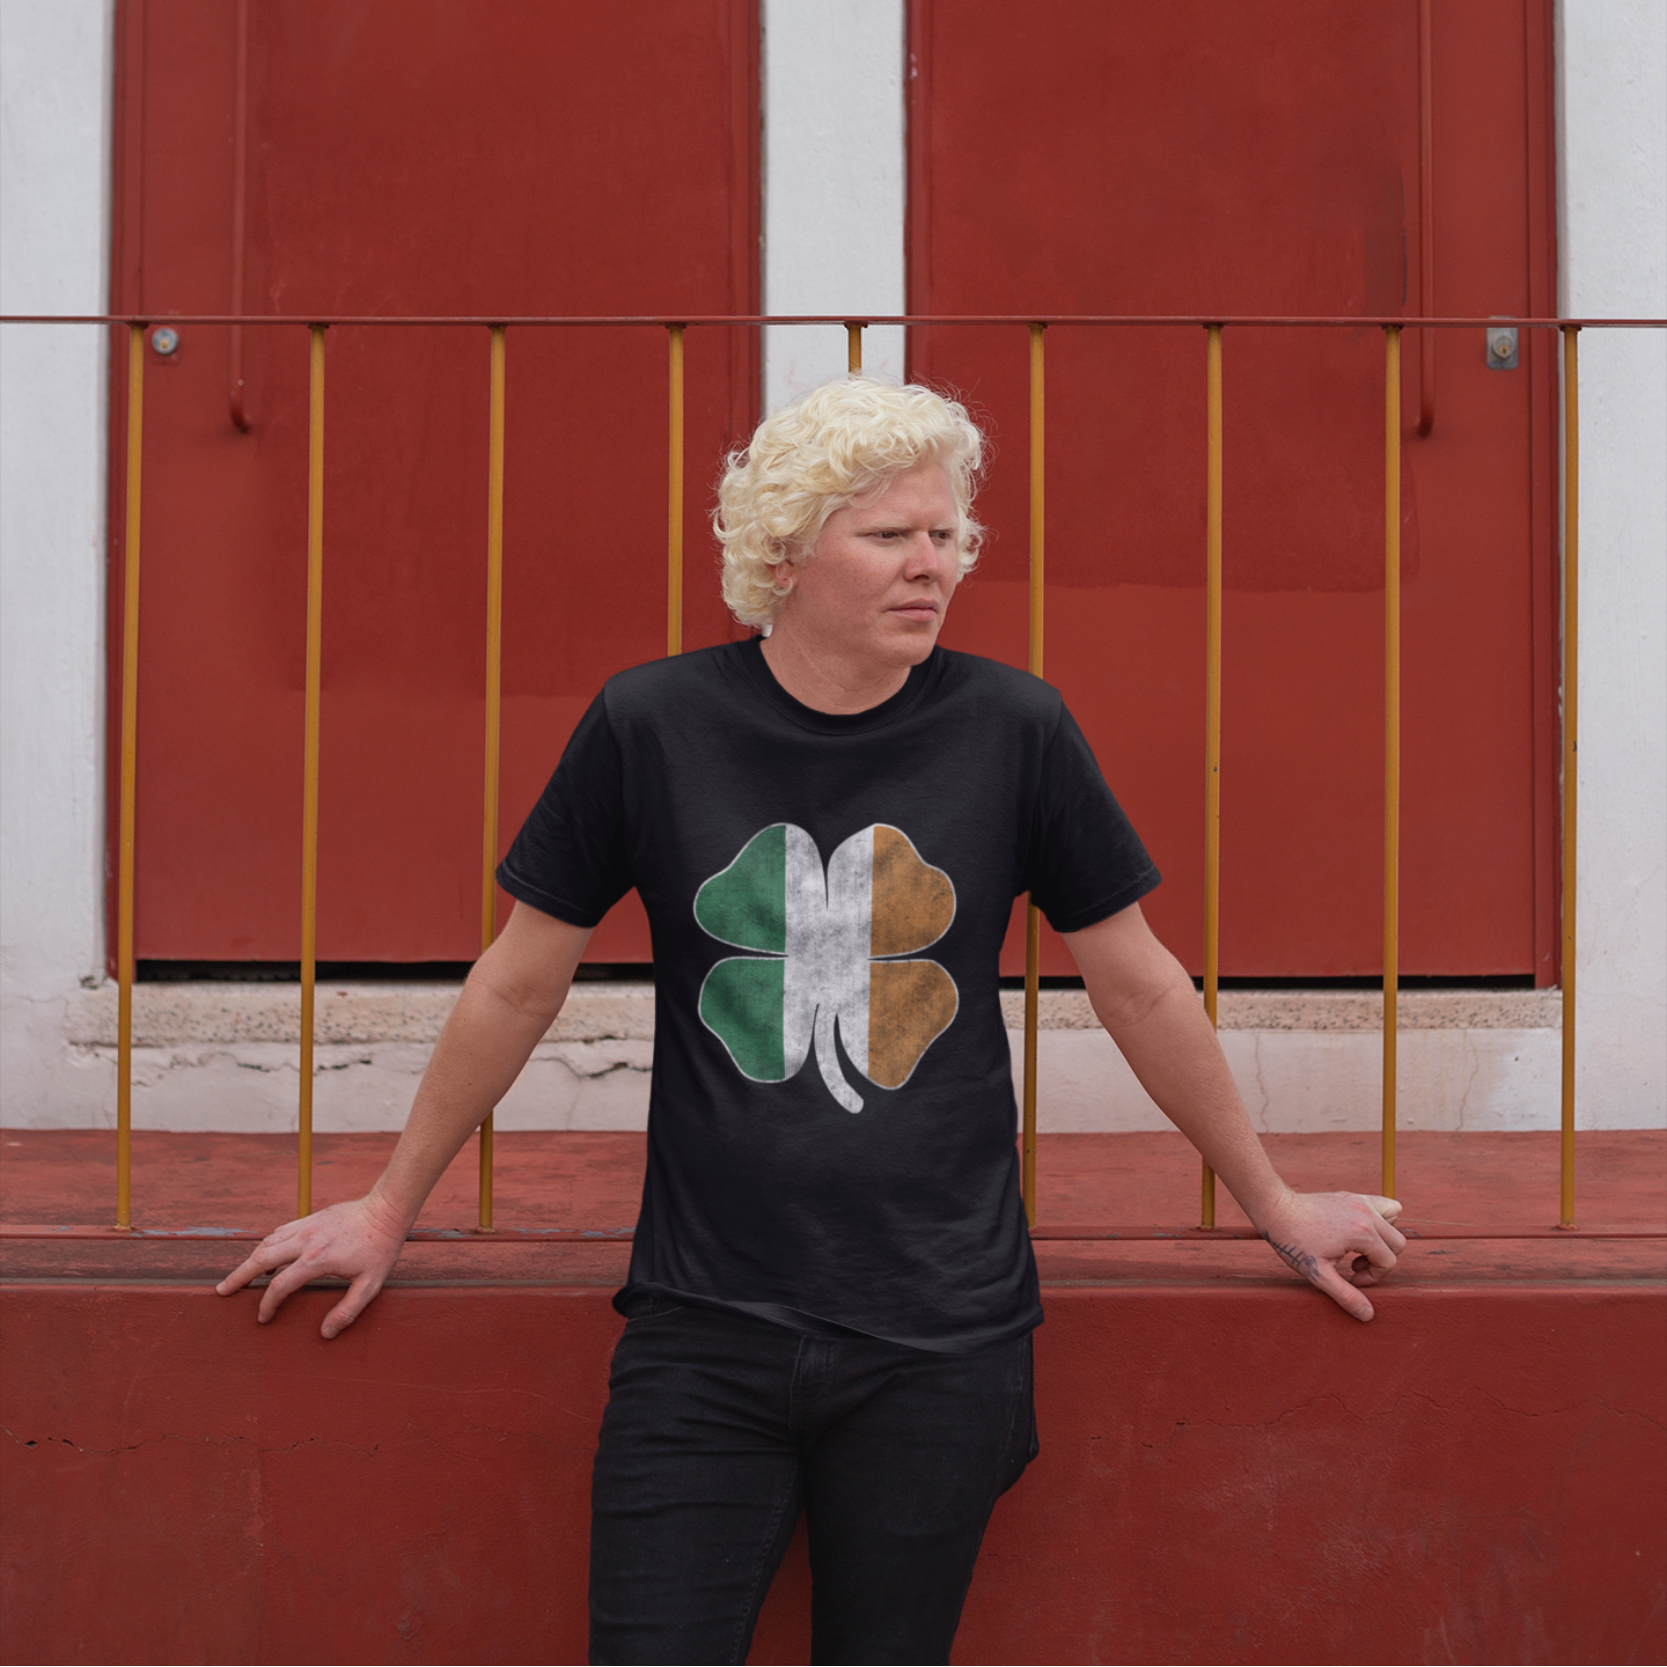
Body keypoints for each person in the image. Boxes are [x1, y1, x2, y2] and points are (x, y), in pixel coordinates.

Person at [219, 377, 1404, 1666]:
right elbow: (517, 982)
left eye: (946, 534)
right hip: (704, 1326)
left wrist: (1275, 1204)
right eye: (889, 535)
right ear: (783, 553)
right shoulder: (651, 724)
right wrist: (388, 1206)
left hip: (941, 1332)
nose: (932, 565)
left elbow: (1140, 986)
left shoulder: (1015, 729)